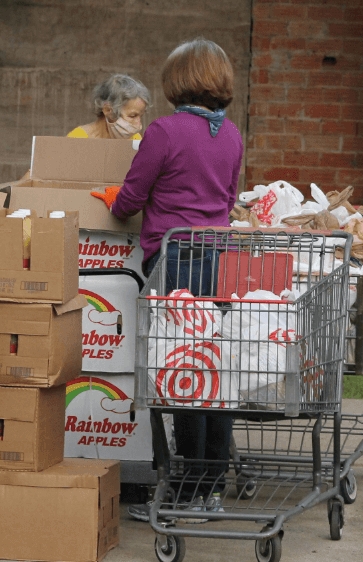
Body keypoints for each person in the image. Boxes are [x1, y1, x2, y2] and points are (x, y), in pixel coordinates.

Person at [96, 38, 242, 522]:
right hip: (220, 261)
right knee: (213, 369)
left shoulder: (164, 131)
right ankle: (211, 484)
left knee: (181, 373)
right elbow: (229, 195)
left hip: (175, 262)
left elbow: (129, 200)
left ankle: (183, 491)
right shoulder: (233, 135)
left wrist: (112, 197)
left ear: (179, 82)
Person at [67, 74, 151, 141]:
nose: (139, 125)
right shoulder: (77, 138)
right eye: (132, 116)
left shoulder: (134, 139)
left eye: (141, 116)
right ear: (108, 110)